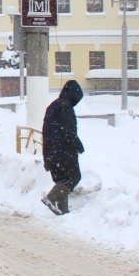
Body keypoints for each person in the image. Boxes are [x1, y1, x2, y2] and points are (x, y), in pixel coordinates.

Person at [41, 79, 85, 215]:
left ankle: (62, 210)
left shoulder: (53, 106)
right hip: (63, 151)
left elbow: (47, 130)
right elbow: (68, 131)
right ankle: (50, 198)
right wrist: (78, 146)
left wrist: (47, 155)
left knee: (62, 179)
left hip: (51, 151)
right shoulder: (66, 107)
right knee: (74, 177)